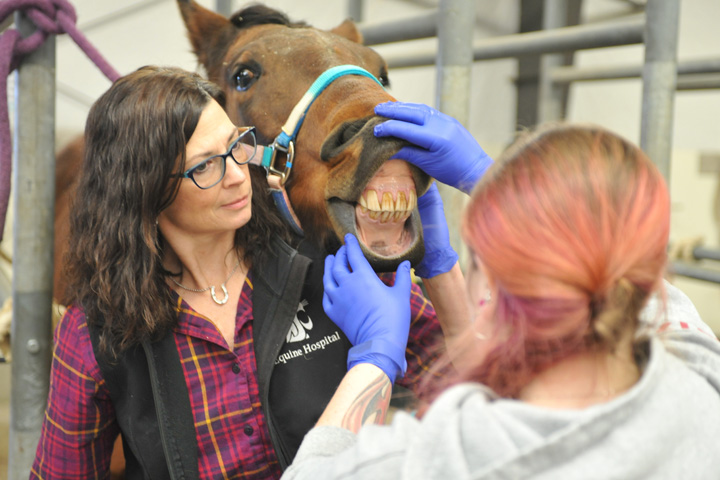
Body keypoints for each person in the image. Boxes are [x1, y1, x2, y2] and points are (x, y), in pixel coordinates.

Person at [30, 67, 449, 479]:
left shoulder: (326, 263)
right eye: (205, 167)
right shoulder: (95, 331)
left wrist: (443, 268)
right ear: (146, 191)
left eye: (236, 144)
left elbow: (470, 371)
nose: (237, 175)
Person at [282, 109, 720, 479]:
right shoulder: (700, 385)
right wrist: (498, 189)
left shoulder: (457, 455)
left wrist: (375, 359)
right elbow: (634, 277)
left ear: (489, 288)